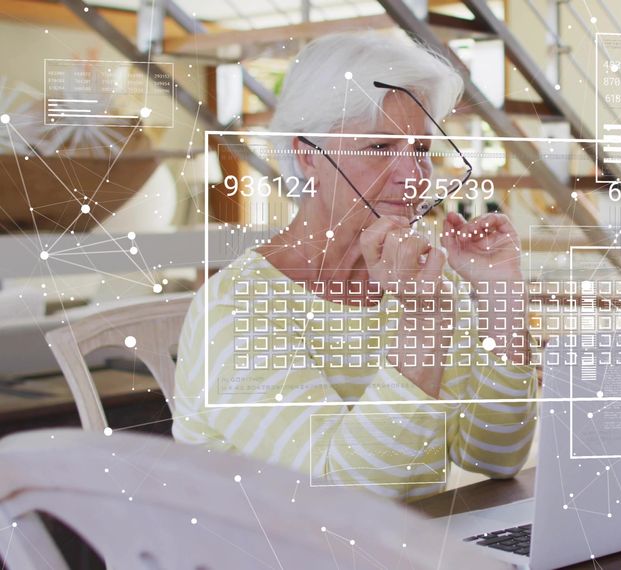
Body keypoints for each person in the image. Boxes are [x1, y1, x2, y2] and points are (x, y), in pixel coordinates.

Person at [172, 32, 536, 501]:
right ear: (308, 156)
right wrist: (423, 323)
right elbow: (348, 497)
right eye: (381, 147)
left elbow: (494, 454)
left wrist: (501, 298)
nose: (415, 176)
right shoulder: (236, 309)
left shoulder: (424, 277)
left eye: (421, 150)